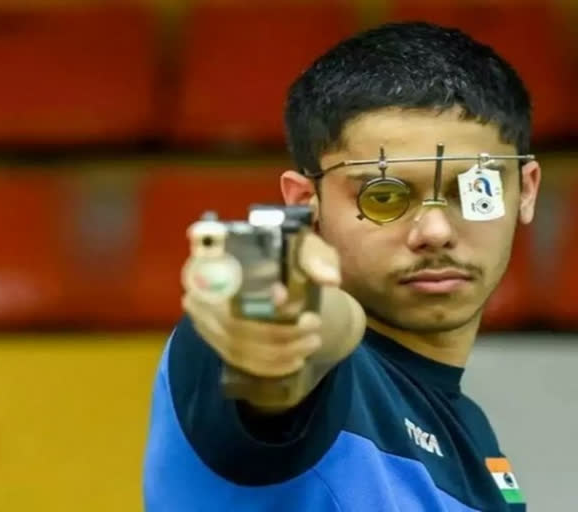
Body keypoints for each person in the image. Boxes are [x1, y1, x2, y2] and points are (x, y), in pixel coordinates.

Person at [143, 21, 540, 512]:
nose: (434, 231)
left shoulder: (472, 430)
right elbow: (312, 337)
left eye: (474, 188)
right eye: (385, 195)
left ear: (526, 190)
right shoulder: (264, 342)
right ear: (306, 203)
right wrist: (280, 323)